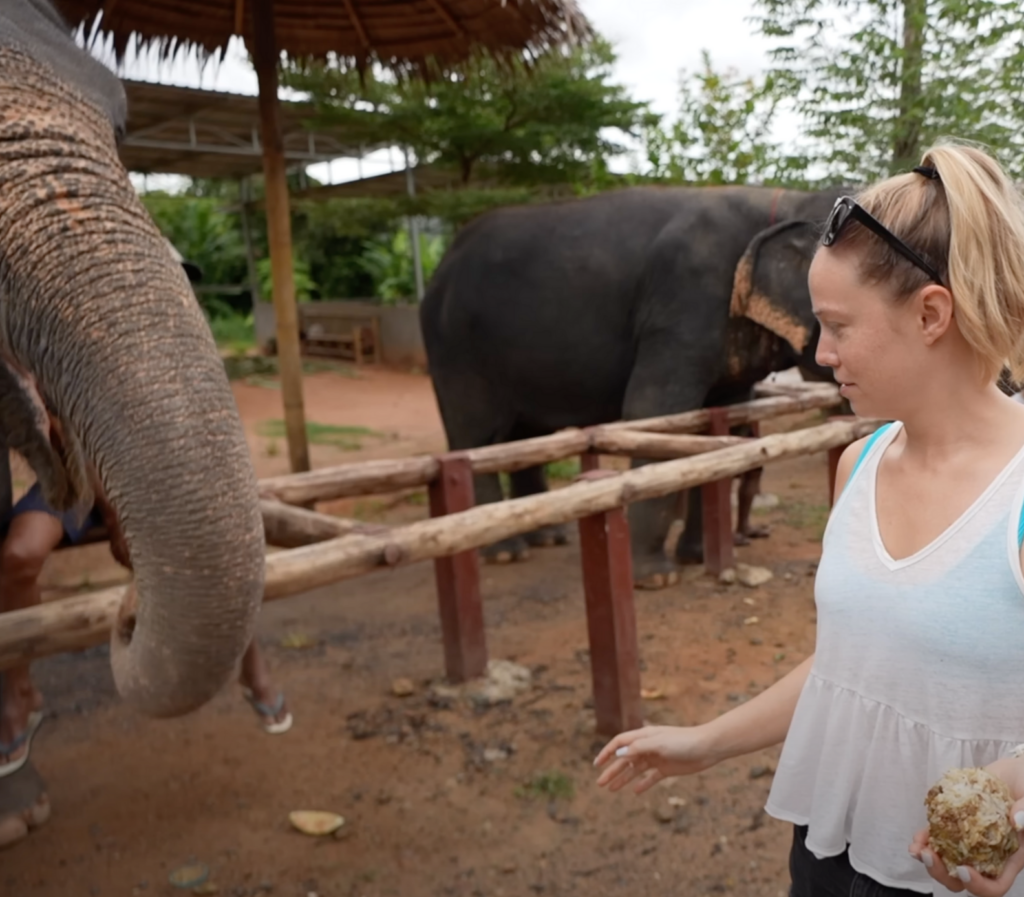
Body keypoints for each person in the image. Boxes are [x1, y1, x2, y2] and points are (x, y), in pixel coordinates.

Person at [594, 141, 1024, 897]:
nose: (821, 353)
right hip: (834, 852)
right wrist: (706, 742)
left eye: (838, 324)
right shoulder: (857, 467)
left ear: (931, 314)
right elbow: (850, 666)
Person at [0, 471, 291, 788]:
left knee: (207, 531)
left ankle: (252, 664)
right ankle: (20, 689)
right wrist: (113, 511)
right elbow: (62, 440)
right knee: (19, 555)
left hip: (149, 469)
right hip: (75, 477)